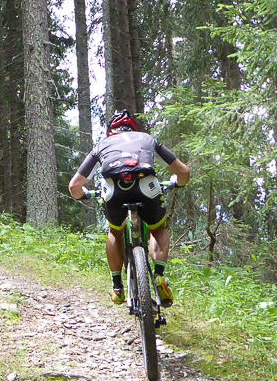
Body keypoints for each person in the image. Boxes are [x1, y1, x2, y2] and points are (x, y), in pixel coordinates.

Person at [67, 110, 190, 307]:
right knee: (158, 228)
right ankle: (159, 275)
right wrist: (178, 183)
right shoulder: (147, 139)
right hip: (147, 187)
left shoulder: (102, 146)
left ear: (110, 131)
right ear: (133, 129)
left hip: (114, 192)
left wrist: (83, 195)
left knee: (115, 232)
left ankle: (117, 288)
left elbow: (74, 186)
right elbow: (184, 172)